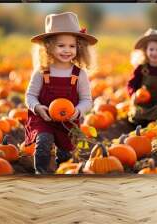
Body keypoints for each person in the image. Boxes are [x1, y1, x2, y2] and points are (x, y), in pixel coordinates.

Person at [24, 12, 96, 174]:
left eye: (72, 46)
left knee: (65, 155)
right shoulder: (42, 72)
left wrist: (77, 111)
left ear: (79, 47)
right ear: (49, 46)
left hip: (68, 122)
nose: (67, 50)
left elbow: (87, 100)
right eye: (61, 45)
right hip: (44, 119)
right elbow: (30, 96)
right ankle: (41, 172)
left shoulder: (79, 74)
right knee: (43, 142)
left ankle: (62, 172)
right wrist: (37, 108)